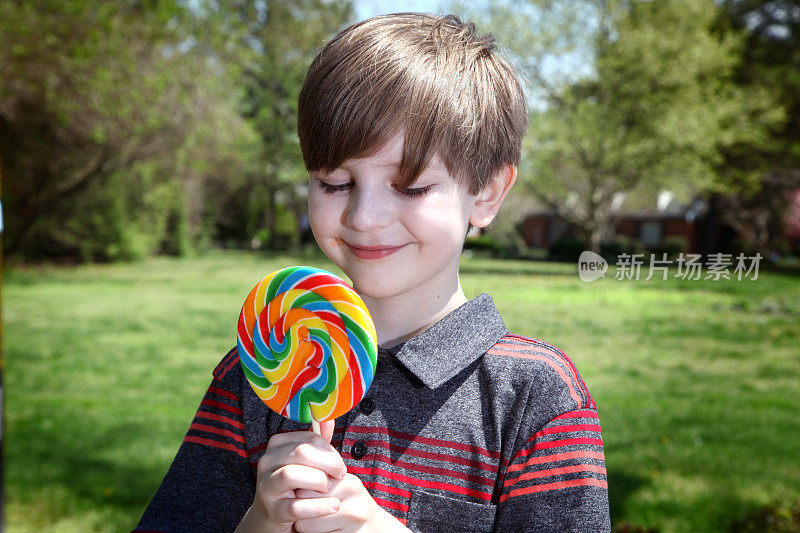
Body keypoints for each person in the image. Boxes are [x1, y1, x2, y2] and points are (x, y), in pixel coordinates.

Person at [135, 12, 610, 533]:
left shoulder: (535, 397)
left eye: (409, 187)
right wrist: (258, 524)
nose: (364, 218)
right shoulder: (255, 377)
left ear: (487, 191)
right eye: (335, 182)